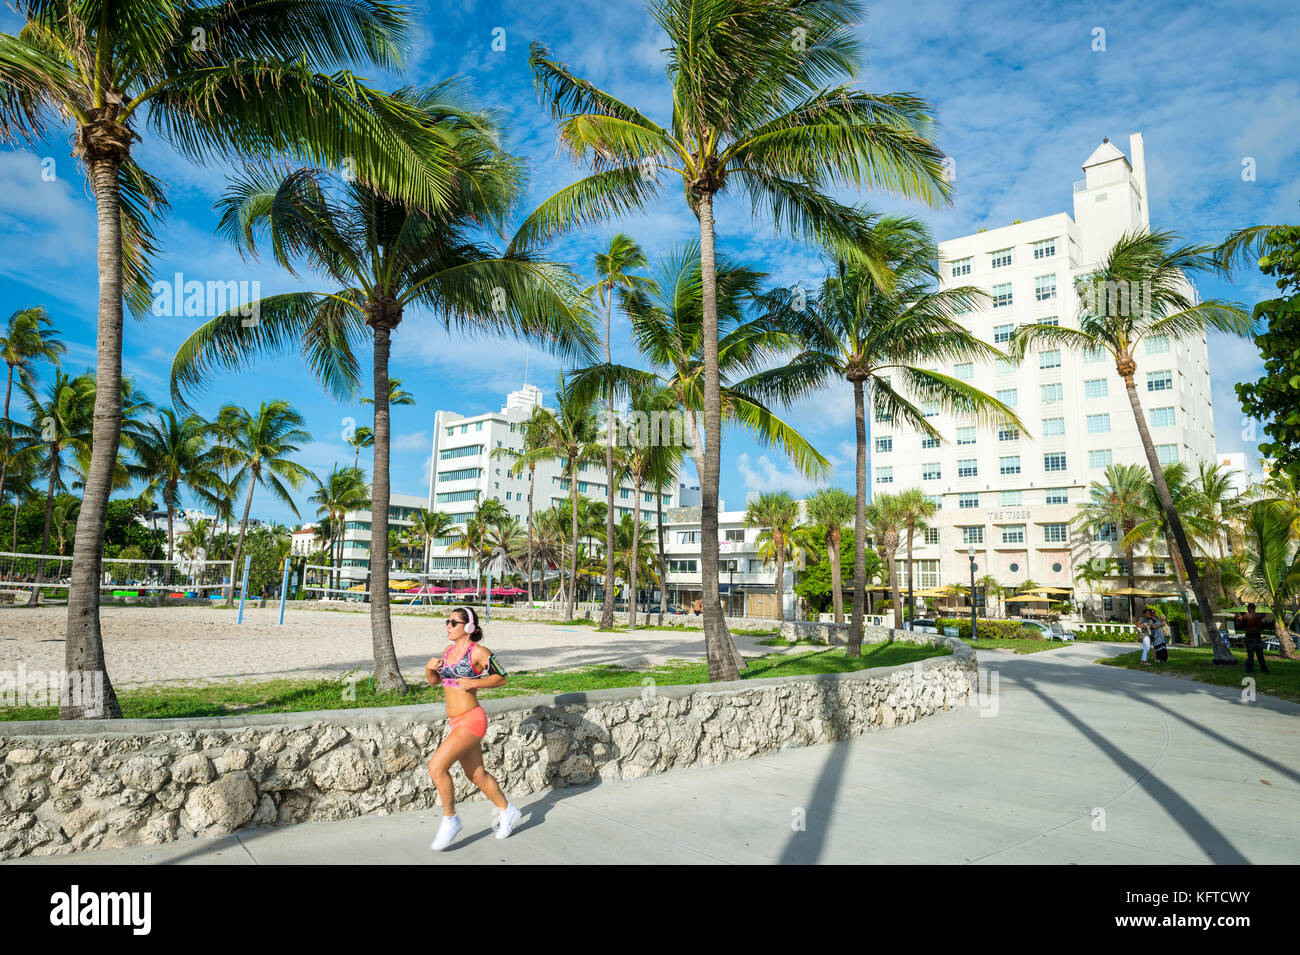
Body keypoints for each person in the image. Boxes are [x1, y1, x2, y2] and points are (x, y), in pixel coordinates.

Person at [425, 606, 521, 850]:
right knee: (477, 775)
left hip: (472, 719)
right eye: (447, 621)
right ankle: (508, 811)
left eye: (453, 622)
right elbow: (436, 682)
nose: (448, 625)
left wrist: (474, 681)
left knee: (436, 767)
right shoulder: (447, 652)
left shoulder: (477, 652)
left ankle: (450, 818)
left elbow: (501, 676)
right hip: (455, 721)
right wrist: (429, 669)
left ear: (468, 628)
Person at [1235, 602, 1270, 675]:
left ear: (1249, 608)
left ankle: (1249, 671)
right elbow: (1261, 625)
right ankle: (1264, 670)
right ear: (1255, 608)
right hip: (1257, 637)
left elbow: (1240, 625)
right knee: (1260, 655)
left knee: (1250, 655)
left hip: (1249, 636)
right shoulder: (1258, 616)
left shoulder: (1245, 616)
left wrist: (1237, 619)